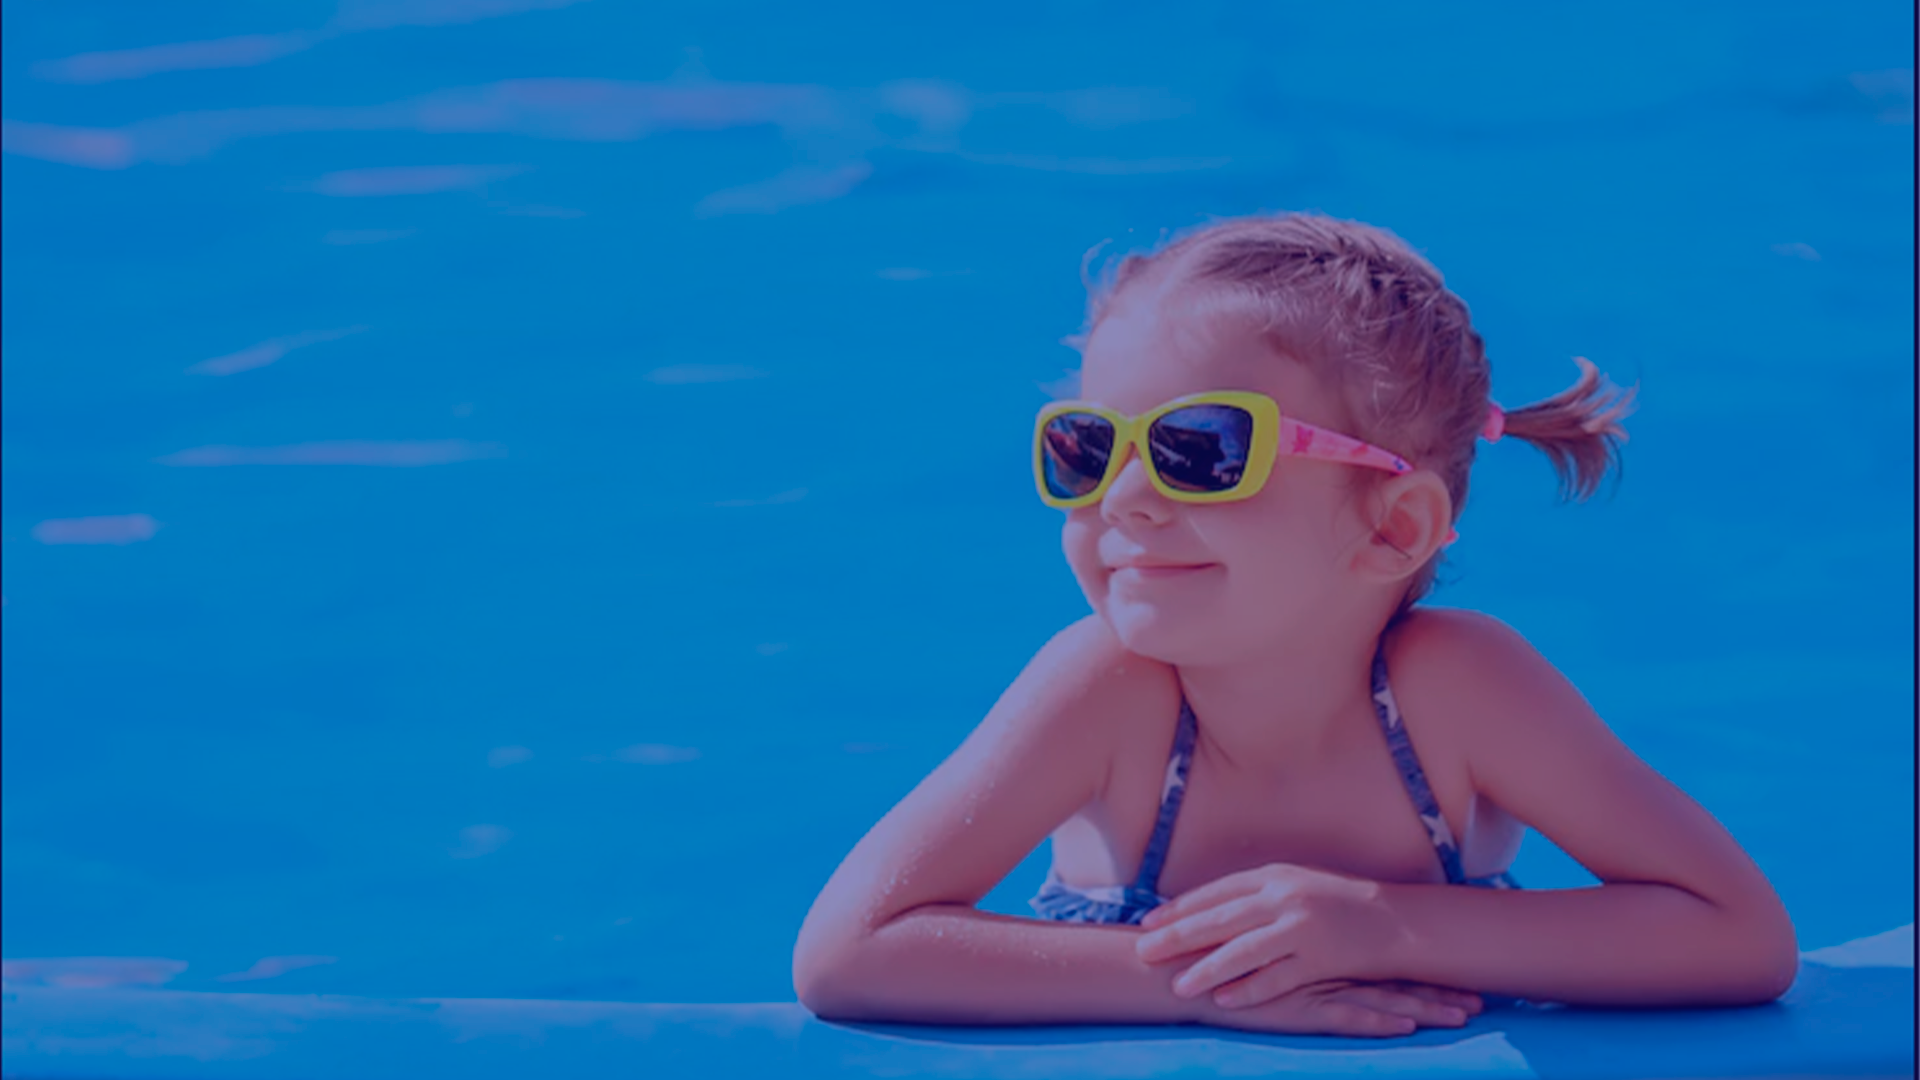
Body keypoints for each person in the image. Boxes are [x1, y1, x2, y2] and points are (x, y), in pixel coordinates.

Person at [792, 213, 1798, 1037]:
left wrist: (1385, 929)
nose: (1125, 500)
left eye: (1200, 448)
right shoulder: (1107, 689)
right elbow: (850, 953)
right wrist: (1207, 988)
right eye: (1090, 448)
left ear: (1393, 525)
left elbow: (1739, 935)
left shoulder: (1460, 689)